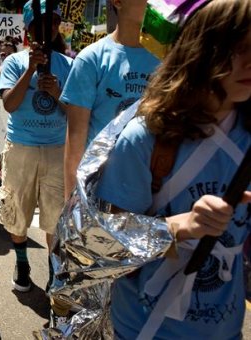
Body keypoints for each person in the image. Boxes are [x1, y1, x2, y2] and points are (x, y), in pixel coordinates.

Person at [94, 1, 250, 338]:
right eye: (239, 48)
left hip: (227, 330)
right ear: (202, 49)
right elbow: (110, 244)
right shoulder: (147, 138)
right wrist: (182, 226)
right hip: (145, 328)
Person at [0, 0, 72, 294]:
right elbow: (9, 104)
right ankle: (22, 262)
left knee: (54, 216)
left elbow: (75, 113)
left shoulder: (70, 65)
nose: (48, 29)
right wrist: (29, 71)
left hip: (57, 151)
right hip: (21, 148)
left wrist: (58, 93)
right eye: (41, 24)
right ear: (29, 29)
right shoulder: (14, 62)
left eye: (53, 23)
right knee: (17, 212)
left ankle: (54, 271)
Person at [61, 0, 159, 199]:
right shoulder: (91, 59)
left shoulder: (168, 61)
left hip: (150, 191)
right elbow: (75, 142)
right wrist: (70, 206)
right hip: (99, 191)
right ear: (117, 2)